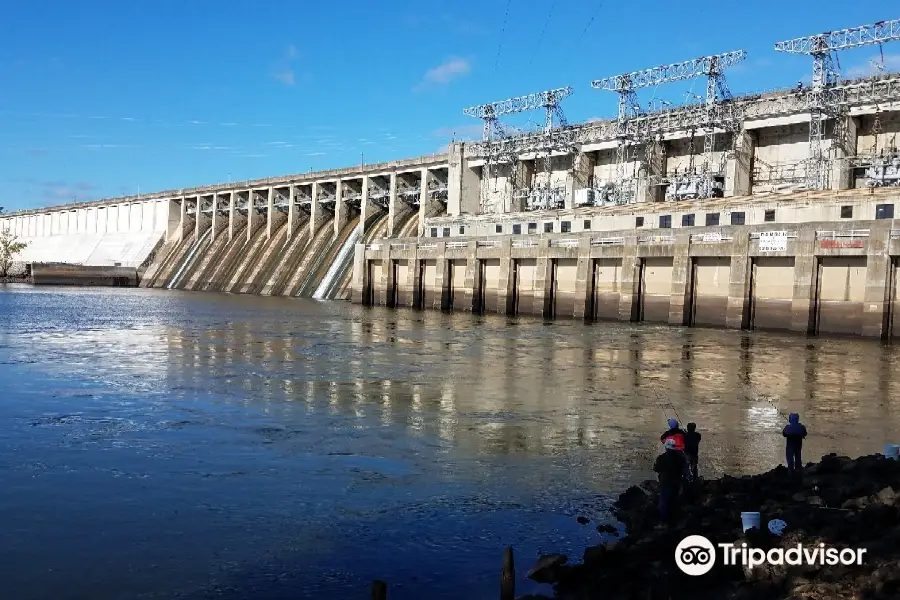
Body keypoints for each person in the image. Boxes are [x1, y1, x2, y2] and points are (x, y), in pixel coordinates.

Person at [654, 439, 684, 523]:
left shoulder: (661, 458)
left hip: (665, 481)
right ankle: (673, 520)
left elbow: (656, 469)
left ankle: (663, 521)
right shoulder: (680, 458)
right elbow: (683, 470)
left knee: (663, 501)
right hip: (677, 481)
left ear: (666, 448)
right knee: (674, 500)